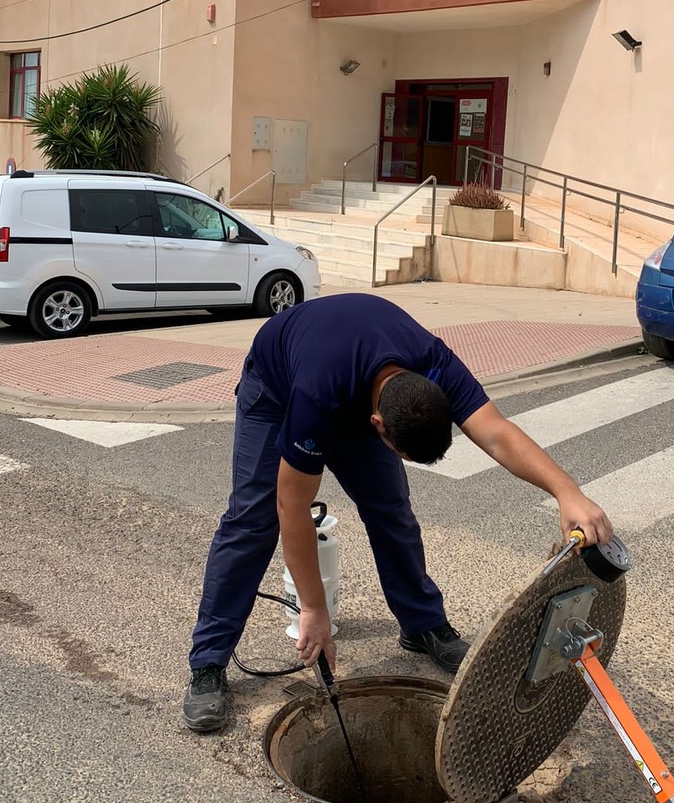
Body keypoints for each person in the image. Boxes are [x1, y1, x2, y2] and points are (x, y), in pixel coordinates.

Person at [183, 292, 613, 733]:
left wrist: (567, 492)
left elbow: (498, 433)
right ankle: (209, 663)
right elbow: (291, 506)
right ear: (378, 426)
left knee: (391, 510)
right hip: (278, 388)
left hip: (354, 378)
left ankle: (422, 625)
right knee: (252, 521)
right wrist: (313, 609)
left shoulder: (434, 362)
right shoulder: (317, 397)